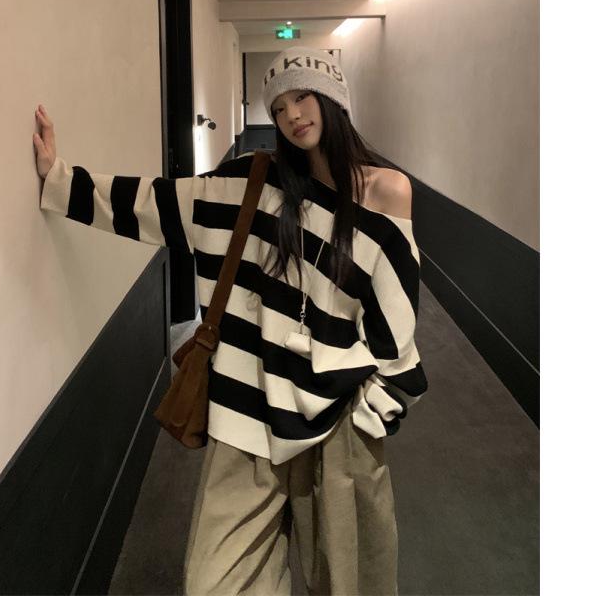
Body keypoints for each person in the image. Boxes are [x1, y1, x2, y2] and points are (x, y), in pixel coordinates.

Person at [33, 46, 427, 595]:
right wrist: (61, 180)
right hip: (246, 420)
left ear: (334, 98)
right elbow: (157, 203)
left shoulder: (385, 193)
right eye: (279, 106)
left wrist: (373, 407)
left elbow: (395, 323)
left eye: (303, 96)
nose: (292, 114)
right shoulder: (251, 183)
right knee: (215, 583)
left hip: (338, 428)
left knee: (350, 583)